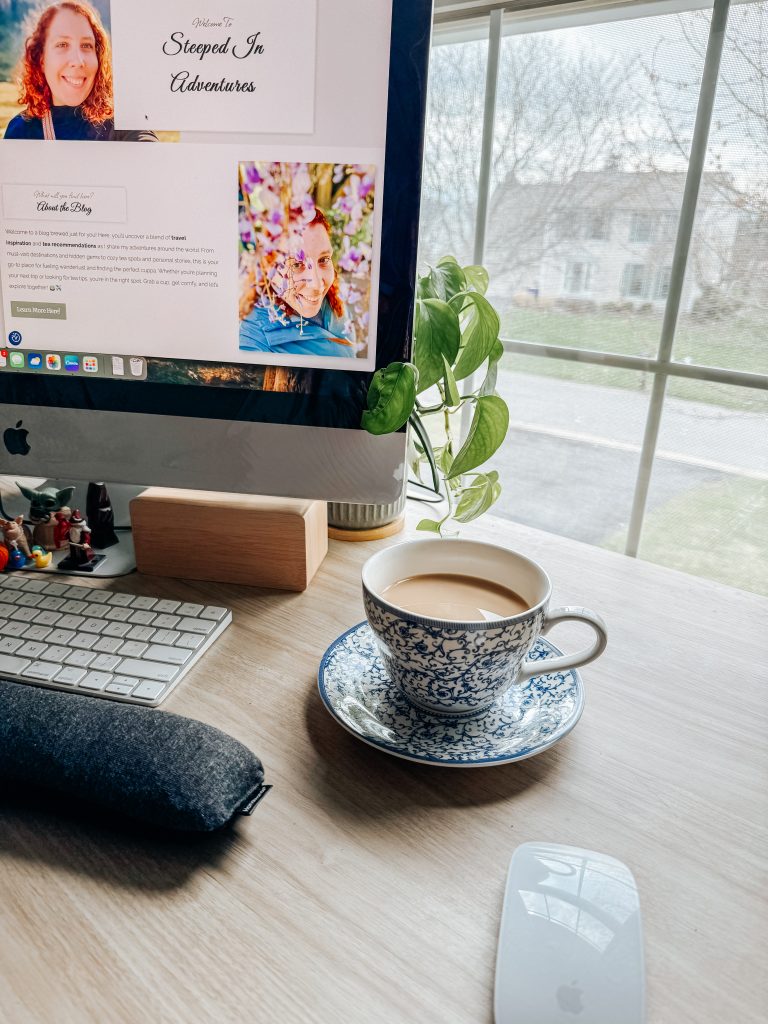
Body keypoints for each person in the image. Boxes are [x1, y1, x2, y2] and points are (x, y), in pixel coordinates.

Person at [4, 2, 156, 142]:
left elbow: (148, 151)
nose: (78, 61)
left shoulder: (122, 123)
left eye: (86, 45)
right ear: (42, 59)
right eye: (62, 44)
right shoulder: (21, 132)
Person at [239, 209, 356, 358]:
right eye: (296, 265)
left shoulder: (336, 297)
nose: (316, 285)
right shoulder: (254, 339)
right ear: (268, 265)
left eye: (324, 259)